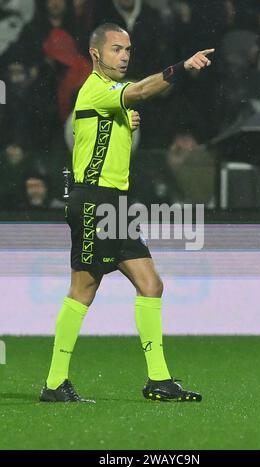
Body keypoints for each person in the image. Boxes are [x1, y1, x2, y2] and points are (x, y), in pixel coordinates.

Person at [39, 22, 214, 403]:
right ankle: (54, 383)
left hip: (116, 204)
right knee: (83, 290)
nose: (124, 56)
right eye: (117, 49)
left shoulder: (114, 96)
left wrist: (127, 119)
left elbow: (135, 97)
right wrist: (180, 68)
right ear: (96, 54)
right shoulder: (97, 88)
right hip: (92, 201)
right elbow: (141, 90)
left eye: (128, 50)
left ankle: (159, 381)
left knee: (151, 284)